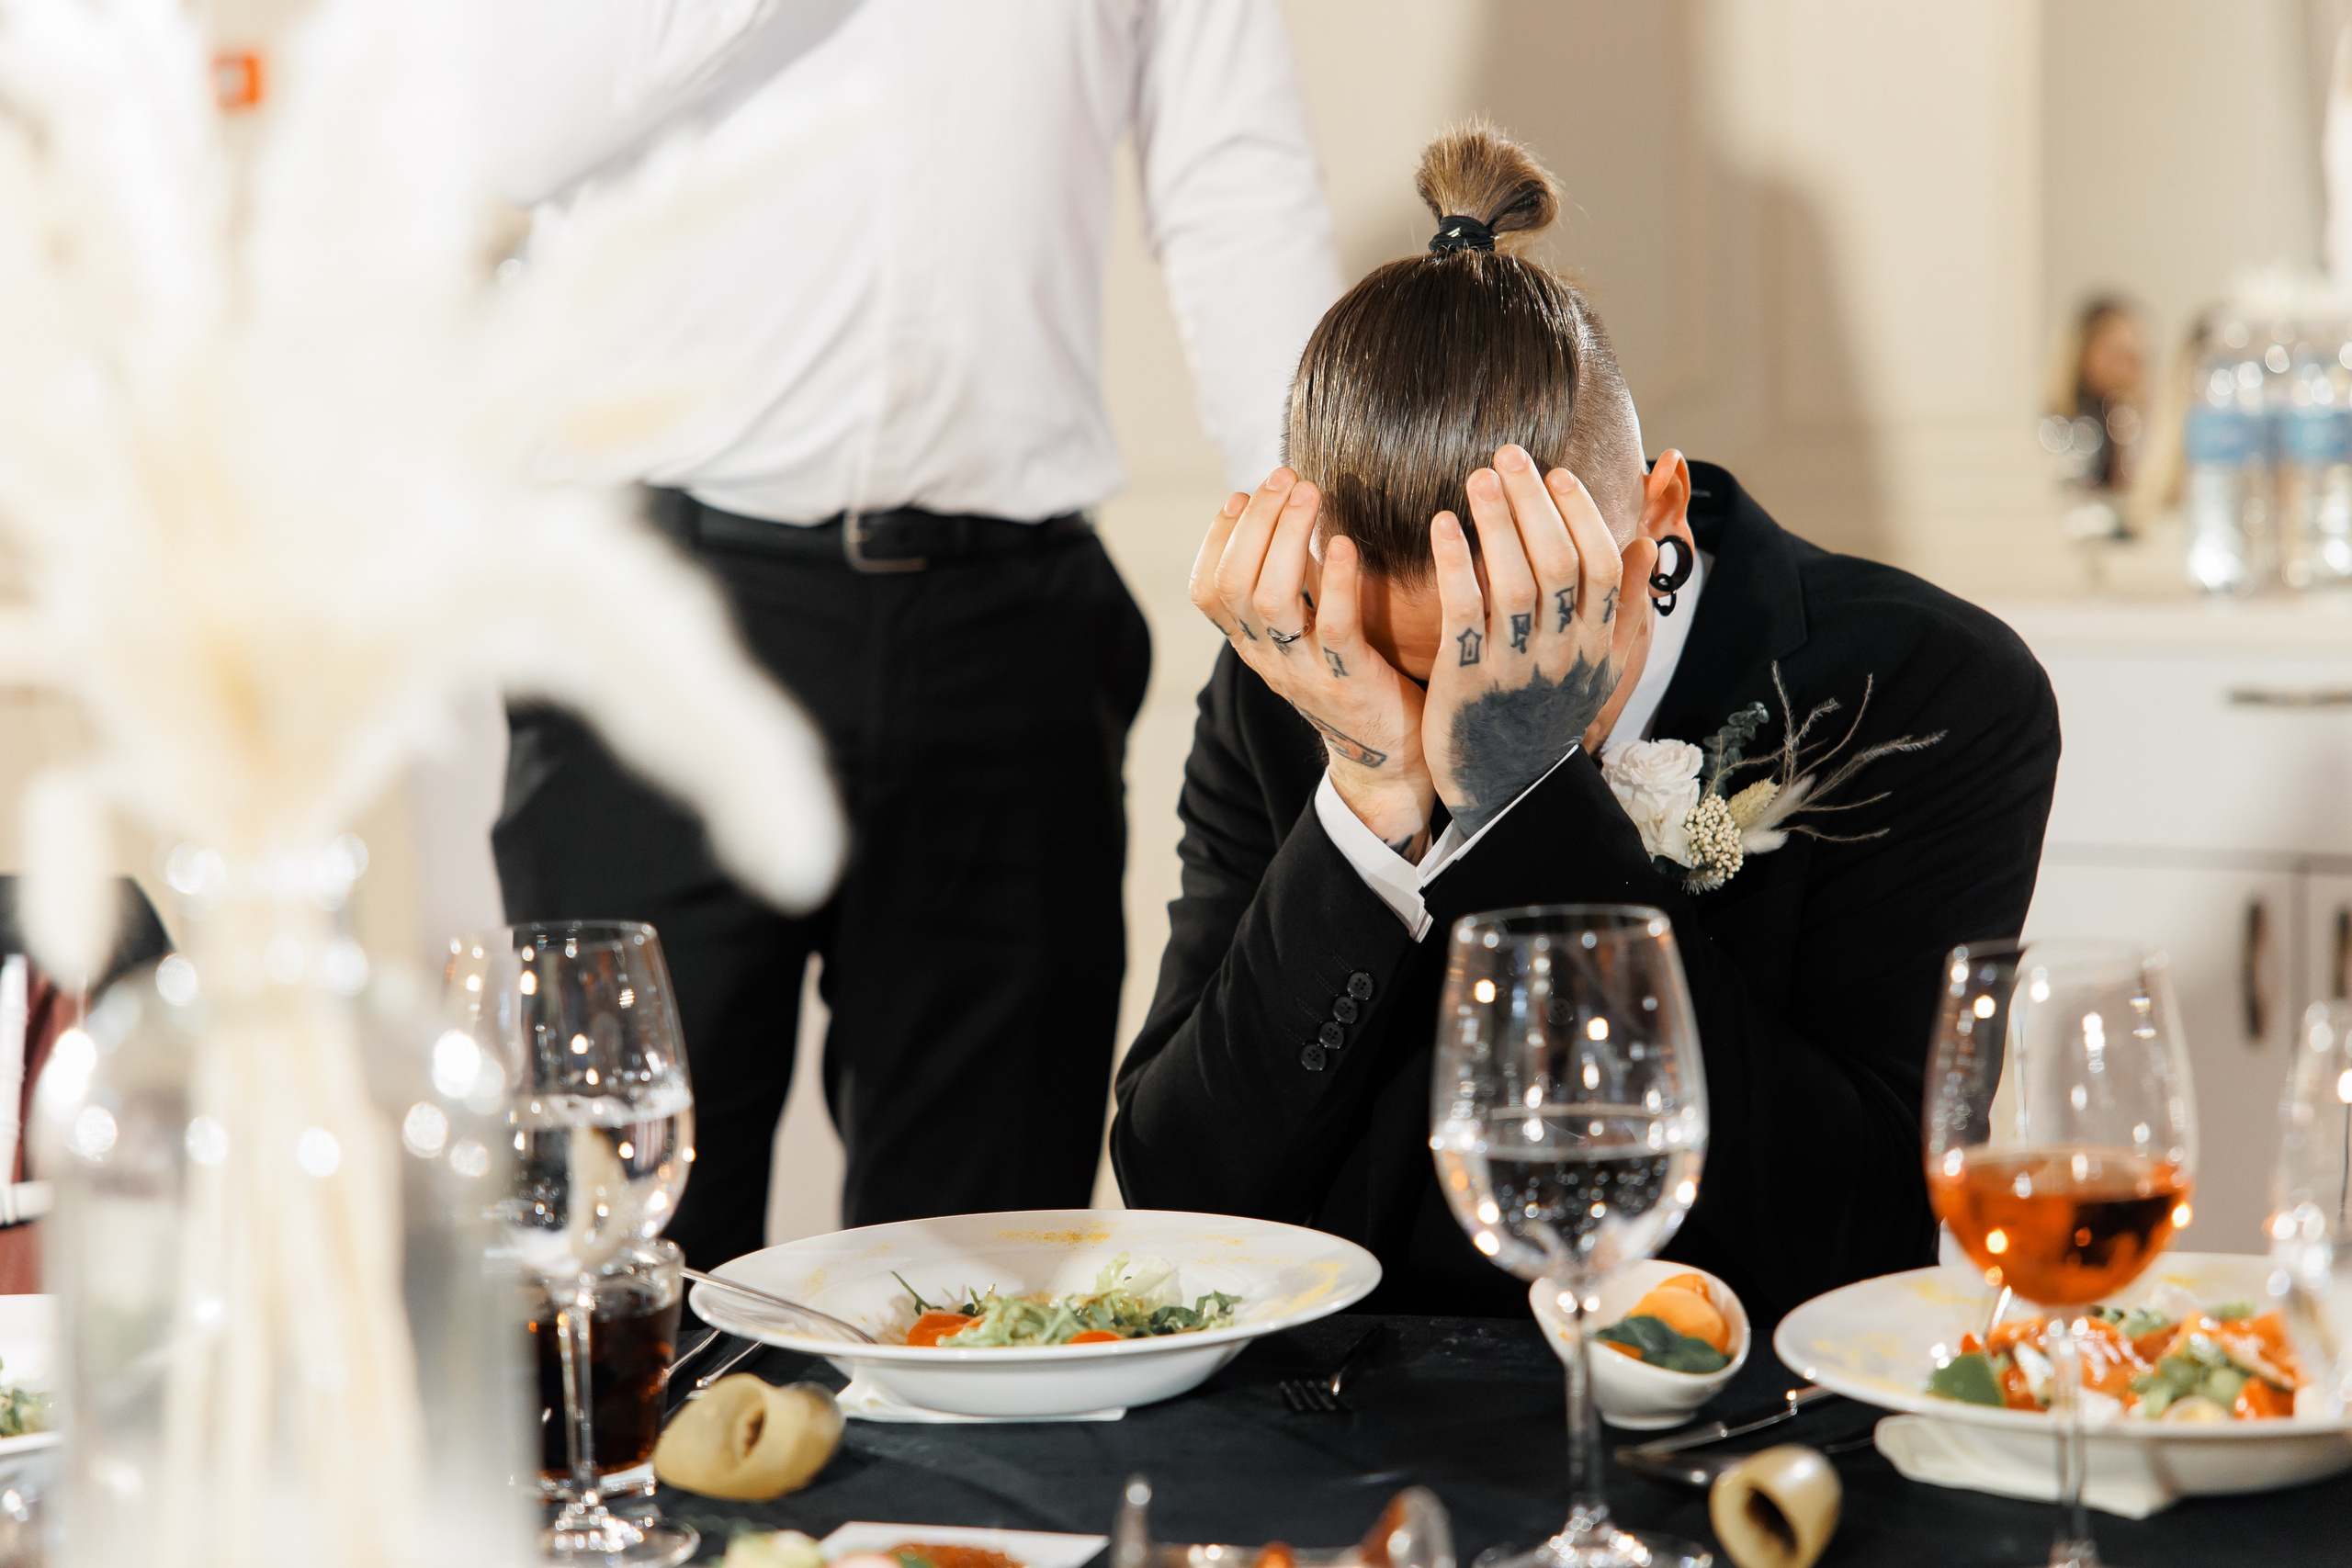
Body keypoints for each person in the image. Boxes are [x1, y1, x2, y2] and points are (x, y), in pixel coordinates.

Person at [1109, 125, 2061, 1328]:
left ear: (1658, 512)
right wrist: (1367, 792)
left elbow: (1849, 1241)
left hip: (1735, 1434)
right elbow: (1186, 1197)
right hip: (1342, 1427)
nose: (1459, 693)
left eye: (1529, 625)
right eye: (1416, 665)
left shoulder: (1925, 691)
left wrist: (1523, 793)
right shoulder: (1293, 671)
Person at [486, 1, 1340, 1269]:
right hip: (653, 623)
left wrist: (1311, 533)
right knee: (618, 1269)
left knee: (982, 1286)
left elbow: (1233, 178)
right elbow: (501, 125)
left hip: (1008, 627)